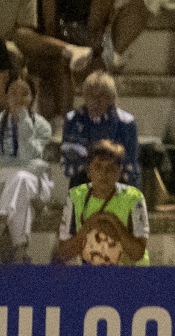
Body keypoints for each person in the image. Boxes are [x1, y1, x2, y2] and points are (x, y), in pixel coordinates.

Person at [35, 0, 107, 117]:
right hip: (61, 43)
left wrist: (79, 53)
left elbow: (94, 32)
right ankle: (63, 119)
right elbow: (50, 28)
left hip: (87, 44)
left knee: (87, 65)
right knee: (56, 60)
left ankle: (86, 119)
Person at [55, 138, 148, 265]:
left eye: (111, 168)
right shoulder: (75, 196)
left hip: (129, 273)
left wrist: (113, 222)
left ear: (119, 172)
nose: (104, 173)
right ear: (89, 170)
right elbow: (64, 253)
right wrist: (90, 225)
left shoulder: (134, 198)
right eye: (98, 167)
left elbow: (137, 253)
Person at [0, 75, 50, 263]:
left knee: (20, 177)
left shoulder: (42, 126)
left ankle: (2, 216)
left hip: (34, 180)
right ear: (6, 96)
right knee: (19, 188)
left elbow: (29, 154)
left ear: (33, 97)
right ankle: (21, 248)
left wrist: (23, 121)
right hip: (7, 178)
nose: (18, 98)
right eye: (13, 93)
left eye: (24, 93)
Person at [61, 70, 138, 187]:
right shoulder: (72, 120)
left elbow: (129, 164)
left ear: (112, 98)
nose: (96, 101)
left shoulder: (125, 122)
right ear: (84, 97)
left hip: (117, 182)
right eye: (91, 95)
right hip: (82, 181)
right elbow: (68, 163)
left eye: (102, 95)